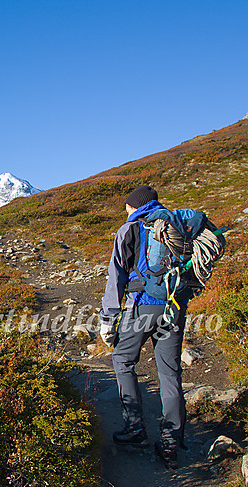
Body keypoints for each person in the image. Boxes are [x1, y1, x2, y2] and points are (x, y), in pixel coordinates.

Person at [99, 185, 188, 469]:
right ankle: (171, 442)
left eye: (127, 208)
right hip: (173, 307)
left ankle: (135, 428)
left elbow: (117, 279)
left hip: (141, 307)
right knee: (170, 373)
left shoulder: (130, 229)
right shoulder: (175, 224)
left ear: (136, 206)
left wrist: (108, 319)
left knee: (122, 359)